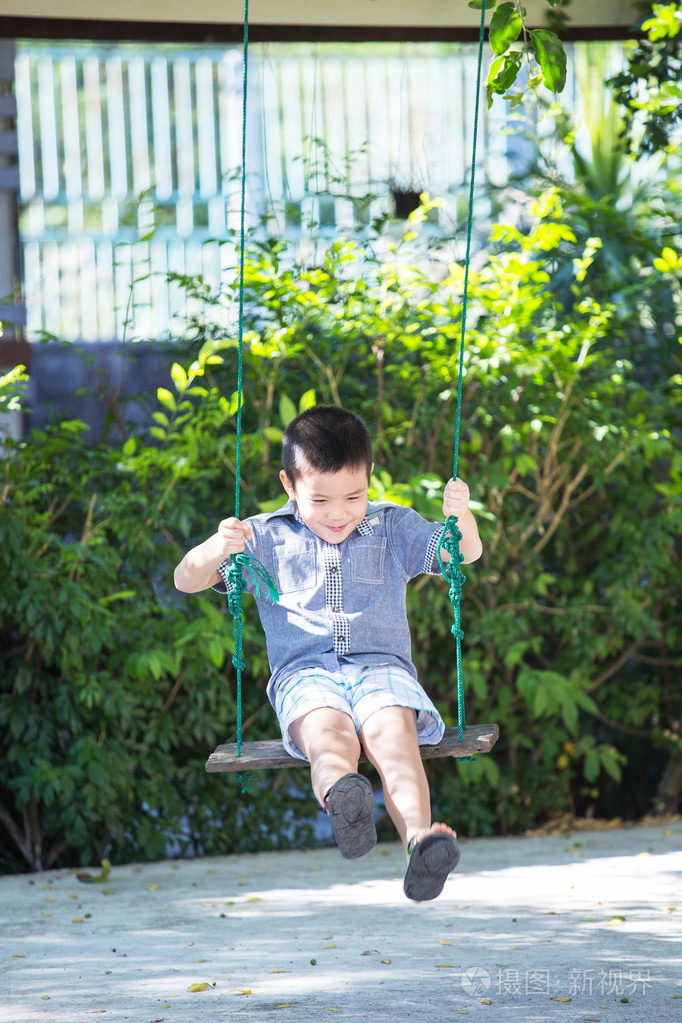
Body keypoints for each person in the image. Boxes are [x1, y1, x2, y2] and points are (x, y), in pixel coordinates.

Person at [174, 405, 482, 901]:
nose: (339, 512)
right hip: (305, 676)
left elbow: (461, 553)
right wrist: (216, 546)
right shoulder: (262, 536)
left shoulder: (392, 526)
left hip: (381, 669)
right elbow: (185, 579)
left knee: (394, 736)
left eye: (354, 496)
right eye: (321, 499)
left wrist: (459, 516)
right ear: (289, 485)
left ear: (370, 479)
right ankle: (345, 797)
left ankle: (420, 843)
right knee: (327, 734)